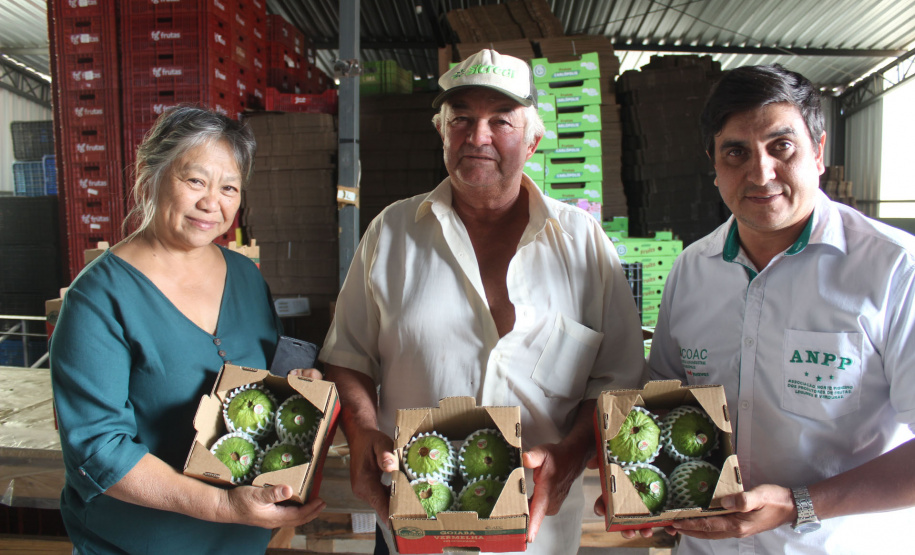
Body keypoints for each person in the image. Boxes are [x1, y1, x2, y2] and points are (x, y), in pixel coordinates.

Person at [319, 49, 646, 554]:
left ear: (533, 140)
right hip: (415, 522)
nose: (478, 137)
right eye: (462, 120)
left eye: (501, 121)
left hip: (539, 534)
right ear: (441, 132)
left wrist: (574, 451)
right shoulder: (391, 232)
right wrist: (362, 432)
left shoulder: (582, 243)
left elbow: (618, 379)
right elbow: (347, 358)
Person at [638, 64, 915, 553]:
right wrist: (643, 491)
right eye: (736, 152)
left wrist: (799, 504)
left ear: (819, 151)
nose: (760, 172)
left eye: (781, 146)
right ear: (714, 164)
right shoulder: (692, 270)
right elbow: (666, 404)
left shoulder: (894, 270)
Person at [50, 106, 326, 554]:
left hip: (241, 539)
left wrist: (298, 387)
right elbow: (98, 449)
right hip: (142, 541)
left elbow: (264, 375)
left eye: (229, 187)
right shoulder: (99, 297)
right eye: (195, 180)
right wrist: (222, 506)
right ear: (149, 174)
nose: (211, 203)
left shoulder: (244, 276)